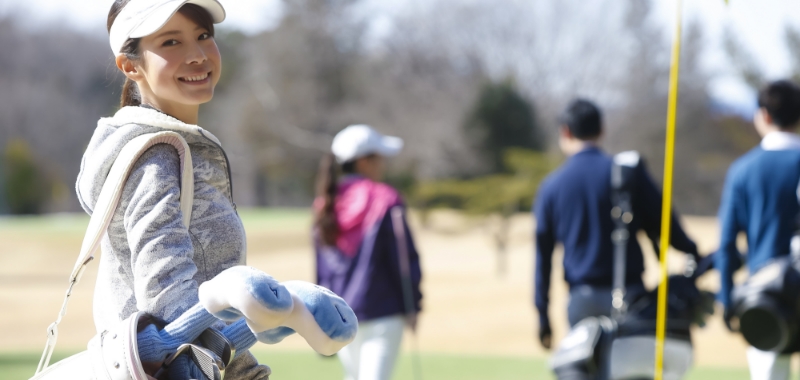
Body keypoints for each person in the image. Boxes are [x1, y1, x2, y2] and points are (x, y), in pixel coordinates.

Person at [75, 0, 270, 377]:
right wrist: (245, 374)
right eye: (170, 43)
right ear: (130, 66)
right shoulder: (158, 157)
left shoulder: (168, 148)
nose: (198, 55)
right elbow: (170, 300)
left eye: (203, 36)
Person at [533, 99, 700, 349]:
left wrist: (543, 315)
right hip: (630, 296)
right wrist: (692, 251)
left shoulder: (551, 187)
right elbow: (667, 226)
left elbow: (543, 258)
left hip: (582, 298)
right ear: (602, 130)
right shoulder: (628, 174)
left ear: (565, 132)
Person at [313, 124, 423, 380]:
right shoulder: (386, 199)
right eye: (379, 157)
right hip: (383, 311)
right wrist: (413, 305)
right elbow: (404, 261)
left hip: (340, 314)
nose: (382, 164)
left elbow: (321, 270)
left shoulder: (324, 204)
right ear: (363, 161)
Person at [716, 80, 800, 380]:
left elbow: (726, 244)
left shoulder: (744, 170)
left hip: (766, 298)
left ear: (763, 115)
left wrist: (726, 300)